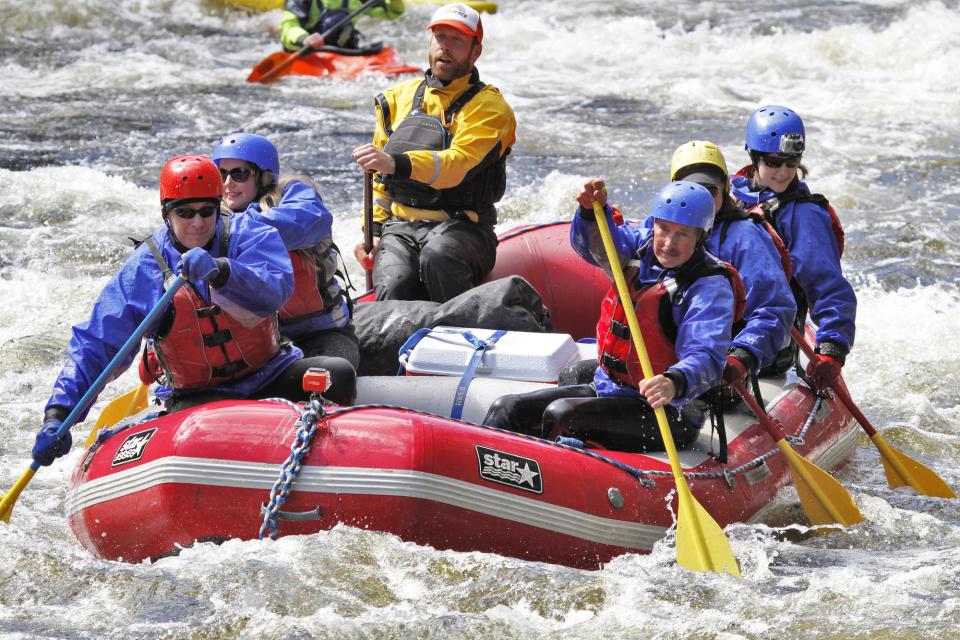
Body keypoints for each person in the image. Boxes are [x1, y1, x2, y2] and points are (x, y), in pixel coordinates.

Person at [32, 155, 356, 467]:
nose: (198, 223)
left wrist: (224, 271)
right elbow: (97, 345)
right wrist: (58, 413)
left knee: (337, 374)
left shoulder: (249, 233)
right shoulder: (146, 268)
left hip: (270, 374)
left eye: (207, 211)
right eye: (185, 213)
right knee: (202, 434)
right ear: (167, 214)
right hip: (198, 396)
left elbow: (273, 291)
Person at [482, 181, 738, 452]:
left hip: (668, 409)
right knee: (507, 408)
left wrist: (675, 381)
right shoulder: (639, 249)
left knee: (561, 416)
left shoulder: (709, 286)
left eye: (683, 234)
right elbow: (598, 244)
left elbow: (707, 353)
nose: (669, 243)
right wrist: (592, 213)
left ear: (701, 236)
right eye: (663, 229)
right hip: (611, 388)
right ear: (654, 225)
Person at [352, 2, 517, 302]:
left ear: (475, 51)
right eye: (440, 37)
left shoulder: (490, 107)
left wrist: (397, 163)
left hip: (465, 229)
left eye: (457, 40)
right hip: (401, 227)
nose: (446, 47)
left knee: (438, 256)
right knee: (394, 279)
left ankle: (463, 333)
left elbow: (457, 166)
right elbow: (380, 183)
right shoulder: (396, 98)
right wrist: (374, 230)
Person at [730, 105, 856, 388]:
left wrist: (832, 350)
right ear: (754, 157)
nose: (784, 171)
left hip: (767, 343)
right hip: (715, 325)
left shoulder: (804, 216)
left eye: (792, 161)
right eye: (774, 162)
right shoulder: (729, 196)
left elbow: (828, 286)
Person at [212, 132, 359, 369]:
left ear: (264, 176)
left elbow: (309, 220)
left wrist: (235, 229)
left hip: (320, 334)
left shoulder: (294, 194)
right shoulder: (208, 216)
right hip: (257, 341)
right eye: (221, 174)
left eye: (239, 174)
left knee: (333, 373)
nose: (228, 183)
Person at [669, 140, 796, 386]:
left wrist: (742, 357)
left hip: (728, 359)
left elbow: (774, 309)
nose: (700, 200)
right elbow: (613, 252)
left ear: (726, 187)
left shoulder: (745, 237)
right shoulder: (662, 231)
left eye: (709, 190)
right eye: (690, 189)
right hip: (681, 354)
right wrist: (590, 216)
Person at [279, 0, 406, 53]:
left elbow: (392, 12)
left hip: (342, 48)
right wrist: (304, 39)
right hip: (307, 51)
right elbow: (288, 26)